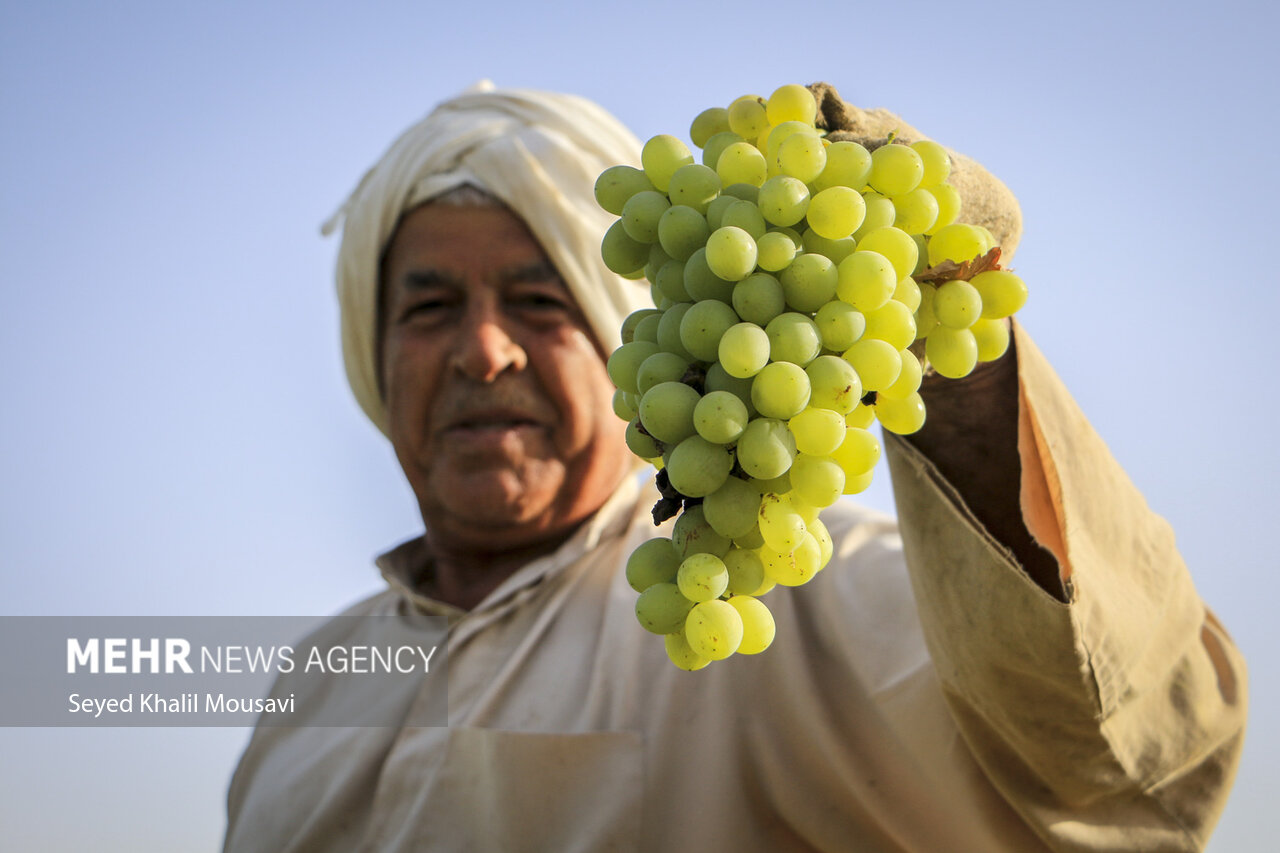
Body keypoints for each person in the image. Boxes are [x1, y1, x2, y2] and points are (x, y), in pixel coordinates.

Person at [222, 82, 1246, 852]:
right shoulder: (310, 685)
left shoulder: (796, 593)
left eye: (539, 303)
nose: (482, 351)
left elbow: (1121, 762)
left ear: (629, 337)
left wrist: (957, 386)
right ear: (370, 351)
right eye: (429, 307)